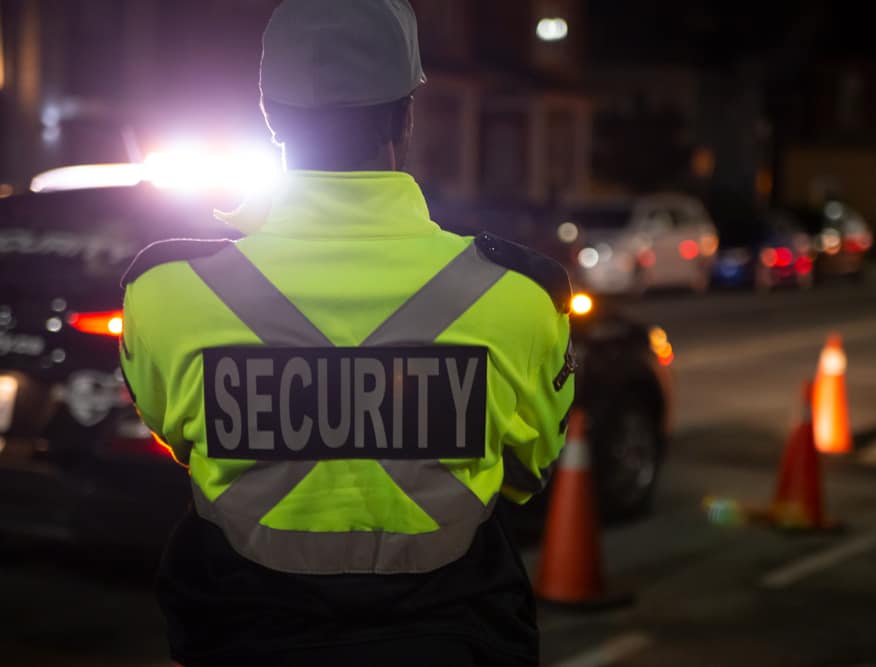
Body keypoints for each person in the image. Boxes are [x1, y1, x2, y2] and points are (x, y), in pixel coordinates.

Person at [118, 1, 575, 665]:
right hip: (451, 641)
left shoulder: (162, 290)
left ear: (271, 115)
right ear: (405, 116)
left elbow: (180, 437)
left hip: (241, 637)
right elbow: (527, 470)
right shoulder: (522, 294)